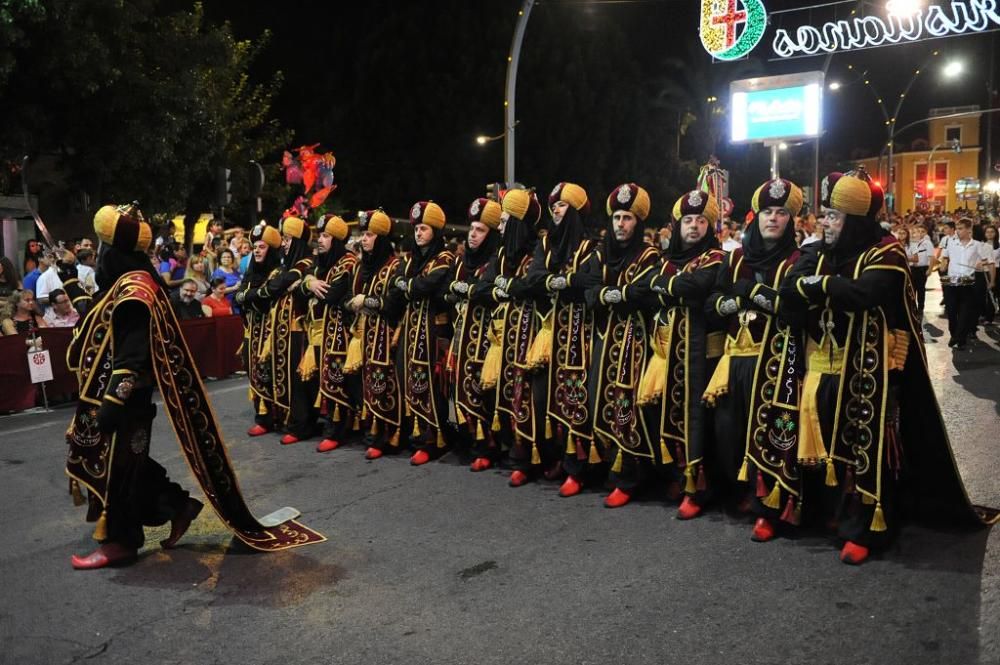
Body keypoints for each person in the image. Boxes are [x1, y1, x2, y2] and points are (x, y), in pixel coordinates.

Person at [65, 203, 323, 569]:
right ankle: (177, 505)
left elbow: (132, 355)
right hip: (113, 397)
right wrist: (71, 279)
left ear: (113, 249)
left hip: (124, 400)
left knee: (119, 470)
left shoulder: (135, 290)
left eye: (102, 243)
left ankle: (121, 542)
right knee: (129, 463)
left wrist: (112, 402)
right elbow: (96, 313)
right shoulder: (129, 280)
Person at [778, 171, 998, 565]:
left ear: (856, 220)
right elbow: (788, 289)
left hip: (871, 370)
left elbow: (865, 293)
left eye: (834, 217)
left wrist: (820, 286)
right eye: (825, 215)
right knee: (822, 442)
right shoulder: (820, 251)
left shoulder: (887, 251)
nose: (826, 223)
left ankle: (866, 527)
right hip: (821, 364)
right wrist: (819, 279)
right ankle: (830, 514)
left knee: (864, 445)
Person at [703, 178, 805, 538]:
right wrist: (734, 302)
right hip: (734, 360)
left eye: (781, 213)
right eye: (767, 212)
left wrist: (753, 293)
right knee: (728, 432)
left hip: (778, 364)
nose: (773, 219)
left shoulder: (800, 259)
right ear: (756, 216)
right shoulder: (734, 257)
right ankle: (741, 493)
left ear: (791, 220)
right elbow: (713, 304)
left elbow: (794, 308)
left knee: (773, 434)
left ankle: (769, 507)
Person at [635, 190, 726, 519]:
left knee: (698, 421)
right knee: (662, 415)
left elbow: (697, 286)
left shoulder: (715, 257)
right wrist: (672, 286)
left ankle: (698, 486)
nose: (694, 226)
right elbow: (646, 291)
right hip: (665, 354)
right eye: (688, 220)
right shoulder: (666, 260)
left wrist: (667, 286)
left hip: (700, 356)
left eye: (701, 220)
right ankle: (677, 475)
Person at [582, 183, 661, 508]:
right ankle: (607, 467)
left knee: (626, 404)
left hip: (636, 342)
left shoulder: (649, 254)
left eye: (628, 218)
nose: (621, 224)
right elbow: (587, 290)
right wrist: (612, 294)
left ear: (638, 222)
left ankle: (629, 476)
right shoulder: (600, 253)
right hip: (603, 339)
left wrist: (614, 294)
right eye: (617, 217)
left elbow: (644, 292)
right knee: (598, 398)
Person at [524, 182, 602, 494]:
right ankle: (552, 457)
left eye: (563, 205)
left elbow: (590, 281)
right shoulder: (546, 245)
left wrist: (560, 280)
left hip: (578, 337)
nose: (556, 210)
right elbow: (533, 278)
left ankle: (577, 467)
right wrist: (561, 282)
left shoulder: (591, 247)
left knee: (575, 401)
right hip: (547, 336)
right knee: (543, 399)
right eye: (554, 205)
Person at [471, 189, 546, 486]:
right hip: (503, 339)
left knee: (526, 398)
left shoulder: (538, 250)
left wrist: (507, 286)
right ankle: (509, 450)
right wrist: (505, 287)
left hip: (528, 337)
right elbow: (482, 287)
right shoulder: (502, 254)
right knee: (502, 396)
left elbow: (532, 285)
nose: (499, 227)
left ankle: (529, 458)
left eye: (504, 222)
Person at [383, 201, 456, 465]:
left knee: (431, 385)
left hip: (433, 330)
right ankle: (418, 434)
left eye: (424, 228)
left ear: (435, 231)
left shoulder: (445, 258)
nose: (419, 233)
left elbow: (425, 286)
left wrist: (407, 285)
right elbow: (398, 284)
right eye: (416, 228)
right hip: (411, 329)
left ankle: (435, 438)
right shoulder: (412, 259)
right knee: (407, 379)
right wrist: (408, 285)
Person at [243, 215, 318, 444]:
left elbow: (276, 286)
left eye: (287, 239)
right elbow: (273, 288)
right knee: (280, 376)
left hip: (298, 330)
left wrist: (249, 294)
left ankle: (301, 425)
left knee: (296, 380)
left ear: (296, 241)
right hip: (280, 331)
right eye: (283, 238)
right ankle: (286, 420)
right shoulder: (289, 266)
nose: (283, 243)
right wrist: (249, 294)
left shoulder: (305, 264)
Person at [347, 209, 404, 460]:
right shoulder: (363, 266)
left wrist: (366, 301)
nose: (364, 239)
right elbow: (350, 296)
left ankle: (390, 434)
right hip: (366, 332)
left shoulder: (395, 266)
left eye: (369, 234)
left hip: (386, 333)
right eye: (363, 235)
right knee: (369, 382)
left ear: (380, 238)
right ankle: (374, 430)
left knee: (386, 383)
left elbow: (393, 302)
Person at [300, 214, 360, 453]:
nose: (320, 241)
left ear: (336, 239)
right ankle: (332, 426)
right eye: (319, 236)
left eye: (325, 236)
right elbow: (304, 289)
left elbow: (332, 294)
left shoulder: (347, 262)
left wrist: (311, 284)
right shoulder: (321, 263)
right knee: (324, 381)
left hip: (340, 332)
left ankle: (338, 430)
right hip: (319, 332)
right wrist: (309, 283)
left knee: (338, 382)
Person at [235, 222, 284, 437]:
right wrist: (249, 295)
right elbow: (239, 298)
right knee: (254, 374)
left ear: (271, 250)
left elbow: (265, 300)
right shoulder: (251, 271)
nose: (256, 250)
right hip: (251, 332)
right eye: (254, 246)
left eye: (262, 247)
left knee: (272, 374)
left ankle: (278, 416)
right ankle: (262, 417)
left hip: (271, 334)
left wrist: (248, 296)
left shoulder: (278, 272)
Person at [940, 218, 993, 348]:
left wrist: (981, 263)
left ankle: (960, 338)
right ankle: (955, 334)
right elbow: (945, 257)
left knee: (965, 312)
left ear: (969, 230)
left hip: (968, 282)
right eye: (957, 228)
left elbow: (988, 261)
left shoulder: (977, 245)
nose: (958, 231)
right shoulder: (951, 243)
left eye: (961, 228)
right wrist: (943, 264)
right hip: (952, 281)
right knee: (951, 312)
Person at [908, 224, 934, 316]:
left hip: (922, 268)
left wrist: (930, 269)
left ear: (926, 233)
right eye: (918, 231)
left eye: (922, 231)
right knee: (912, 288)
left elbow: (932, 257)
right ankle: (912, 307)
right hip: (912, 268)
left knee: (920, 289)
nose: (920, 233)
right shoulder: (913, 243)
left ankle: (921, 307)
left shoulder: (927, 243)